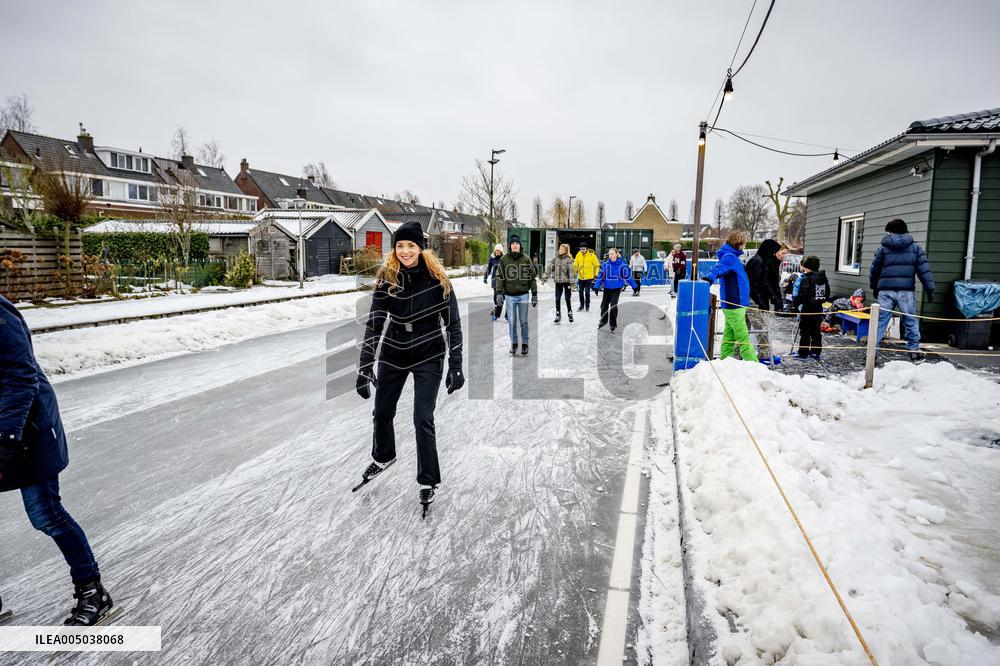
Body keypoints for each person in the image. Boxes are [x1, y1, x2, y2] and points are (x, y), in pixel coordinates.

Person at [0, 294, 113, 626]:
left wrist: (6, 437)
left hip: (28, 430)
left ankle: (92, 590)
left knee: (45, 513)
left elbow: (20, 378)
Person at [355, 221, 464, 514]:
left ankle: (427, 480)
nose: (405, 251)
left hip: (429, 354)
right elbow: (375, 324)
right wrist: (365, 366)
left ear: (420, 248)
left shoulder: (438, 279)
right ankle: (383, 456)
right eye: (400, 246)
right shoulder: (387, 278)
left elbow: (453, 324)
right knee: (382, 412)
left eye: (410, 246)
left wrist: (456, 365)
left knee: (422, 418)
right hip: (395, 351)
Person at [869, 218, 936, 362]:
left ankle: (871, 354)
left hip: (885, 290)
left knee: (879, 322)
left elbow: (874, 270)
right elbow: (924, 270)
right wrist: (930, 289)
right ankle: (914, 352)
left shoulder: (882, 248)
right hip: (906, 291)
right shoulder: (915, 248)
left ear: (890, 230)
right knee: (910, 321)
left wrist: (874, 286)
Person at [702, 231, 757, 362]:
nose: (744, 247)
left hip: (736, 303)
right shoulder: (730, 257)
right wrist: (708, 279)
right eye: (743, 244)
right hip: (734, 304)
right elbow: (718, 269)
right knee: (743, 337)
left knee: (729, 337)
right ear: (739, 243)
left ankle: (724, 360)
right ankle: (754, 365)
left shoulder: (732, 257)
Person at [745, 239, 788, 362]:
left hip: (754, 300)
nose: (774, 254)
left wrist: (774, 298)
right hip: (751, 301)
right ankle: (764, 355)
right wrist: (759, 301)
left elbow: (764, 283)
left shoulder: (762, 261)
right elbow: (753, 285)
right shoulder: (757, 262)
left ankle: (738, 355)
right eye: (774, 251)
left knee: (745, 329)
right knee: (762, 328)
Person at [496, 234, 538, 355]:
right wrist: (499, 293)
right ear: (510, 246)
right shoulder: (504, 259)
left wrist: (534, 294)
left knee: (523, 321)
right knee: (512, 321)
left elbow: (532, 277)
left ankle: (525, 344)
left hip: (524, 294)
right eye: (513, 244)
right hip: (509, 295)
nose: (515, 245)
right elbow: (500, 277)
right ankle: (514, 343)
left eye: (517, 243)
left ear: (520, 245)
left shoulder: (526, 259)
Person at [791, 255, 830, 360]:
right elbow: (827, 293)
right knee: (816, 331)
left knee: (805, 331)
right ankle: (815, 352)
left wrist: (795, 304)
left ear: (807, 267)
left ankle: (803, 353)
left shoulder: (807, 279)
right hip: (818, 308)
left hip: (808, 308)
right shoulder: (823, 278)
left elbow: (802, 295)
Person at [592, 247, 637, 332]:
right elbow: (600, 276)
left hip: (617, 288)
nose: (611, 255)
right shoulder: (605, 265)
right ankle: (603, 321)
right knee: (604, 305)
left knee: (613, 305)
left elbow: (628, 277)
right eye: (609, 254)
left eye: (612, 254)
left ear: (616, 254)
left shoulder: (622, 265)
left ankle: (613, 323)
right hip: (607, 288)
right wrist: (596, 287)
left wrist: (634, 286)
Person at [542, 243, 576, 324]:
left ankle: (570, 313)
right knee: (557, 299)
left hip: (566, 282)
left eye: (562, 249)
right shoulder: (555, 259)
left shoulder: (569, 260)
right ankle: (558, 314)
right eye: (559, 249)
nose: (560, 250)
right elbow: (549, 269)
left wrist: (572, 284)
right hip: (558, 282)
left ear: (565, 251)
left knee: (567, 298)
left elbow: (571, 273)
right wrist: (544, 279)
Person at [573, 244, 601, 312]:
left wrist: (596, 274)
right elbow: (575, 265)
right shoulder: (578, 255)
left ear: (586, 249)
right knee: (580, 292)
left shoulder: (591, 255)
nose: (582, 250)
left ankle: (587, 306)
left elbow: (597, 265)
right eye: (581, 249)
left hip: (589, 277)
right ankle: (581, 305)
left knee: (587, 292)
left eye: (584, 249)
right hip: (581, 277)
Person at [483, 243, 504, 321]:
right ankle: (495, 311)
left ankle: (497, 313)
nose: (497, 252)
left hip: (503, 280)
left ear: (501, 251)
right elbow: (489, 268)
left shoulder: (504, 258)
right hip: (495, 280)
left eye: (499, 251)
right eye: (496, 250)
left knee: (502, 297)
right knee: (496, 297)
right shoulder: (492, 258)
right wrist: (485, 277)